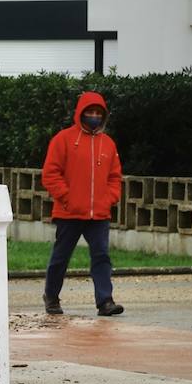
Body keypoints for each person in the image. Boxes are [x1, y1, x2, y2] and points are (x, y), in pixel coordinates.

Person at [41, 91, 124, 317]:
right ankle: (51, 297)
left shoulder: (108, 144)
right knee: (60, 258)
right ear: (81, 113)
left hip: (99, 214)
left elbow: (115, 178)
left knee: (102, 256)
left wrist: (109, 199)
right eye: (90, 112)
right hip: (68, 213)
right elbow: (50, 174)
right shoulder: (63, 139)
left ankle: (105, 301)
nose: (94, 116)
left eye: (98, 113)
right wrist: (67, 198)